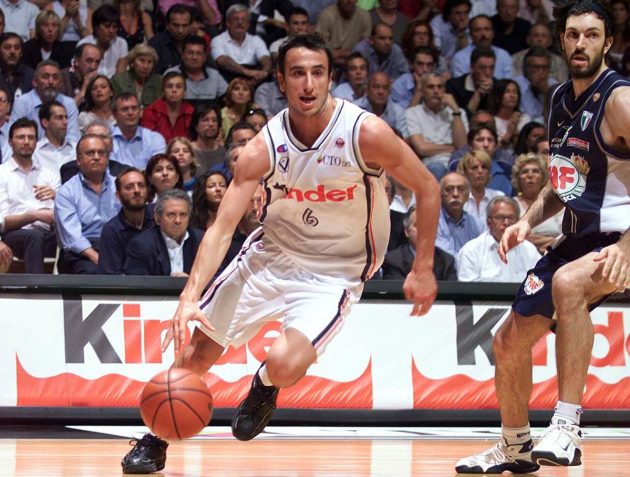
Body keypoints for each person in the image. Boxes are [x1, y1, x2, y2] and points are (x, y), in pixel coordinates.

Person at [121, 33, 440, 474]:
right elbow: (222, 228)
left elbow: (427, 187)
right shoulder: (264, 146)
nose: (308, 84)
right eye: (297, 74)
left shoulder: (364, 133)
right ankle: (156, 437)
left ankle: (266, 385)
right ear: (281, 80)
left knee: (286, 364)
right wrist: (189, 297)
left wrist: (423, 267)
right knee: (197, 354)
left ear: (330, 78)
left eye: (317, 73)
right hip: (271, 256)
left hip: (335, 272)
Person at [456, 1, 630, 473]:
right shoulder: (558, 100)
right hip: (578, 239)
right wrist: (527, 221)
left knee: (569, 284)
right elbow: (565, 179)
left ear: (608, 44)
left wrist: (625, 247)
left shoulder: (619, 100)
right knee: (507, 343)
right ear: (561, 41)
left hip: (623, 238)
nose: (581, 43)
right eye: (573, 34)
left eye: (591, 35)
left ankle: (568, 427)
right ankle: (514, 447)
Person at [54, 133, 120, 274]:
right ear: (78, 160)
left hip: (116, 247)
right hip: (81, 254)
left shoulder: (119, 186)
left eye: (101, 153)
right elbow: (72, 238)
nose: (96, 157)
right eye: (90, 153)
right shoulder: (67, 192)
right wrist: (99, 259)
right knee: (93, 273)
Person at [0, 118, 59, 273]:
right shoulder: (2, 174)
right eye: (21, 137)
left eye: (31, 137)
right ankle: (37, 286)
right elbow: (3, 222)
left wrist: (56, 196)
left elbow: (59, 215)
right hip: (14, 235)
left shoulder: (49, 174)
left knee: (70, 237)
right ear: (10, 142)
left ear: (36, 142)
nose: (26, 142)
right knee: (33, 237)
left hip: (47, 233)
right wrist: (34, 215)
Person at [456, 195, 540, 281]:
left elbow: (541, 281)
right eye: (499, 218)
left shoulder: (529, 250)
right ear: (488, 221)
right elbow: (467, 287)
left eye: (511, 218)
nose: (506, 222)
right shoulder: (471, 251)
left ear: (518, 221)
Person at [123, 188, 203, 276]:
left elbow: (214, 278)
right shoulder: (142, 246)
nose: (178, 220)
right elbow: (136, 282)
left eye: (183, 215)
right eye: (171, 214)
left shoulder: (202, 240)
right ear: (157, 218)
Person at [406, 72, 468, 180]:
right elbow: (422, 149)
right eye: (431, 87)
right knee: (437, 168)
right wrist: (451, 147)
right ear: (422, 91)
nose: (436, 91)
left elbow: (462, 146)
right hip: (430, 165)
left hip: (457, 163)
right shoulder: (412, 113)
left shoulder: (459, 112)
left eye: (440, 87)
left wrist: (455, 110)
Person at [97, 166, 154, 274]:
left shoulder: (160, 218)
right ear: (118, 195)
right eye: (129, 187)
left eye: (141, 185)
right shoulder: (111, 230)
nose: (137, 190)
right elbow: (111, 276)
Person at [9, 60, 80, 143]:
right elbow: (15, 135)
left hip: (62, 150)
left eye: (55, 78)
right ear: (35, 82)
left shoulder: (68, 104)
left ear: (60, 83)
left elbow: (73, 138)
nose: (51, 82)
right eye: (45, 77)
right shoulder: (23, 102)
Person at [381, 206, 457, 280]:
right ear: (407, 231)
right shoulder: (394, 261)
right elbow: (397, 288)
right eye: (417, 225)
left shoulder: (447, 261)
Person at [512, 152, 563, 253]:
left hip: (557, 253)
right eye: (524, 172)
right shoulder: (512, 204)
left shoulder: (554, 203)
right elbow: (514, 234)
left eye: (535, 171)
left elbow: (565, 233)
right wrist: (552, 242)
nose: (530, 175)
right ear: (518, 178)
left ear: (543, 177)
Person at [211, 4, 271, 85]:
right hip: (227, 81)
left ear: (248, 24)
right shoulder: (218, 40)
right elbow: (222, 60)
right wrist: (246, 72)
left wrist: (264, 73)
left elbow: (265, 58)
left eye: (244, 19)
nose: (240, 22)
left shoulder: (256, 40)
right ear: (228, 23)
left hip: (254, 80)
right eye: (236, 19)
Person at [164, 35, 227, 108]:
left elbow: (229, 99)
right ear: (182, 54)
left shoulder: (214, 75)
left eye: (199, 53)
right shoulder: (171, 74)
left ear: (205, 57)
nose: (194, 57)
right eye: (190, 53)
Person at [111, 93, 166, 169]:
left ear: (140, 111)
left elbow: (158, 169)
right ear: (115, 114)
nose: (130, 113)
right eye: (125, 109)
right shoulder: (105, 138)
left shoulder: (154, 138)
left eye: (134, 108)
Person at [456, 149, 503, 232]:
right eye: (474, 168)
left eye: (484, 167)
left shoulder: (498, 197)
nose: (480, 171)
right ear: (465, 173)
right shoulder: (458, 198)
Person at [435, 171, 480, 256]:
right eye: (449, 189)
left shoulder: (475, 223)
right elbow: (445, 257)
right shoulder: (433, 221)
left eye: (461, 189)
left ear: (467, 196)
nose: (455, 194)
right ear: (440, 195)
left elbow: (480, 253)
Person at [140, 72, 194, 143]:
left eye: (178, 87)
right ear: (163, 91)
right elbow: (147, 141)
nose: (174, 90)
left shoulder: (191, 112)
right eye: (169, 87)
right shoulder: (151, 111)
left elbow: (193, 141)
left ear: (184, 92)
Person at [77, 5, 129, 77]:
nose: (111, 31)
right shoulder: (84, 44)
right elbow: (81, 74)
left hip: (114, 83)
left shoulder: (121, 43)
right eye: (107, 26)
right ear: (96, 27)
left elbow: (120, 75)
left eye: (114, 27)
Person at [111, 44, 162, 108]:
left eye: (149, 62)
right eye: (142, 60)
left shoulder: (159, 81)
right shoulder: (118, 80)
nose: (145, 66)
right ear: (132, 62)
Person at [33, 100, 76, 173]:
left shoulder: (75, 149)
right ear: (45, 123)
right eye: (59, 118)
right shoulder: (35, 152)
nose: (65, 122)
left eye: (66, 117)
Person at [59, 43, 102, 108]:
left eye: (97, 62)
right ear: (77, 61)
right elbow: (66, 111)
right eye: (89, 61)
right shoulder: (61, 78)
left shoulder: (98, 80)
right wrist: (84, 87)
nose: (93, 67)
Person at [190, 105, 225, 174]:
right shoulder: (188, 151)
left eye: (214, 120)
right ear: (196, 126)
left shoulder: (224, 153)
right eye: (205, 120)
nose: (211, 124)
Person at [0, 33, 33, 103]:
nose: (12, 51)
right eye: (7, 47)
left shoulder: (30, 75)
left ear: (21, 53)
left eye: (17, 48)